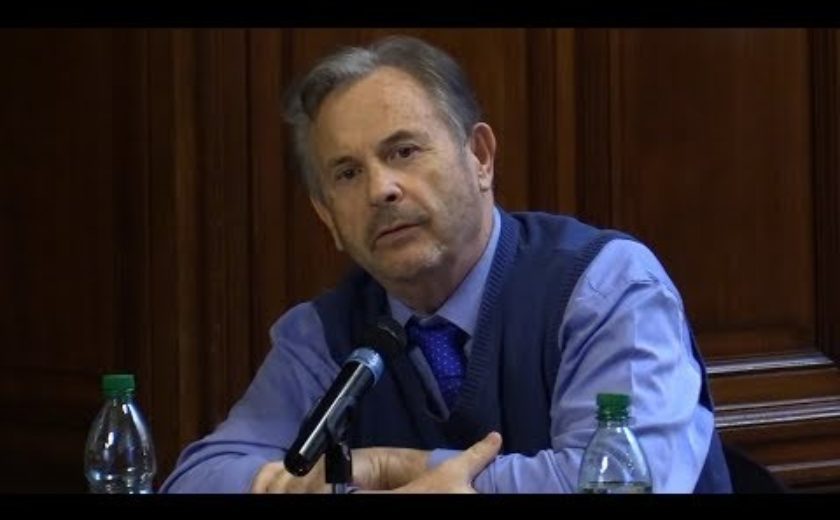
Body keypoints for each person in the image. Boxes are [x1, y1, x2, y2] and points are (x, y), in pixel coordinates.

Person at [161, 35, 732, 494]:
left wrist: (392, 467)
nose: (381, 189)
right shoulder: (325, 335)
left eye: (403, 151)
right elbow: (199, 478)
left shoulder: (605, 286)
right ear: (327, 216)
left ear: (480, 157)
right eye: (347, 173)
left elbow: (623, 482)